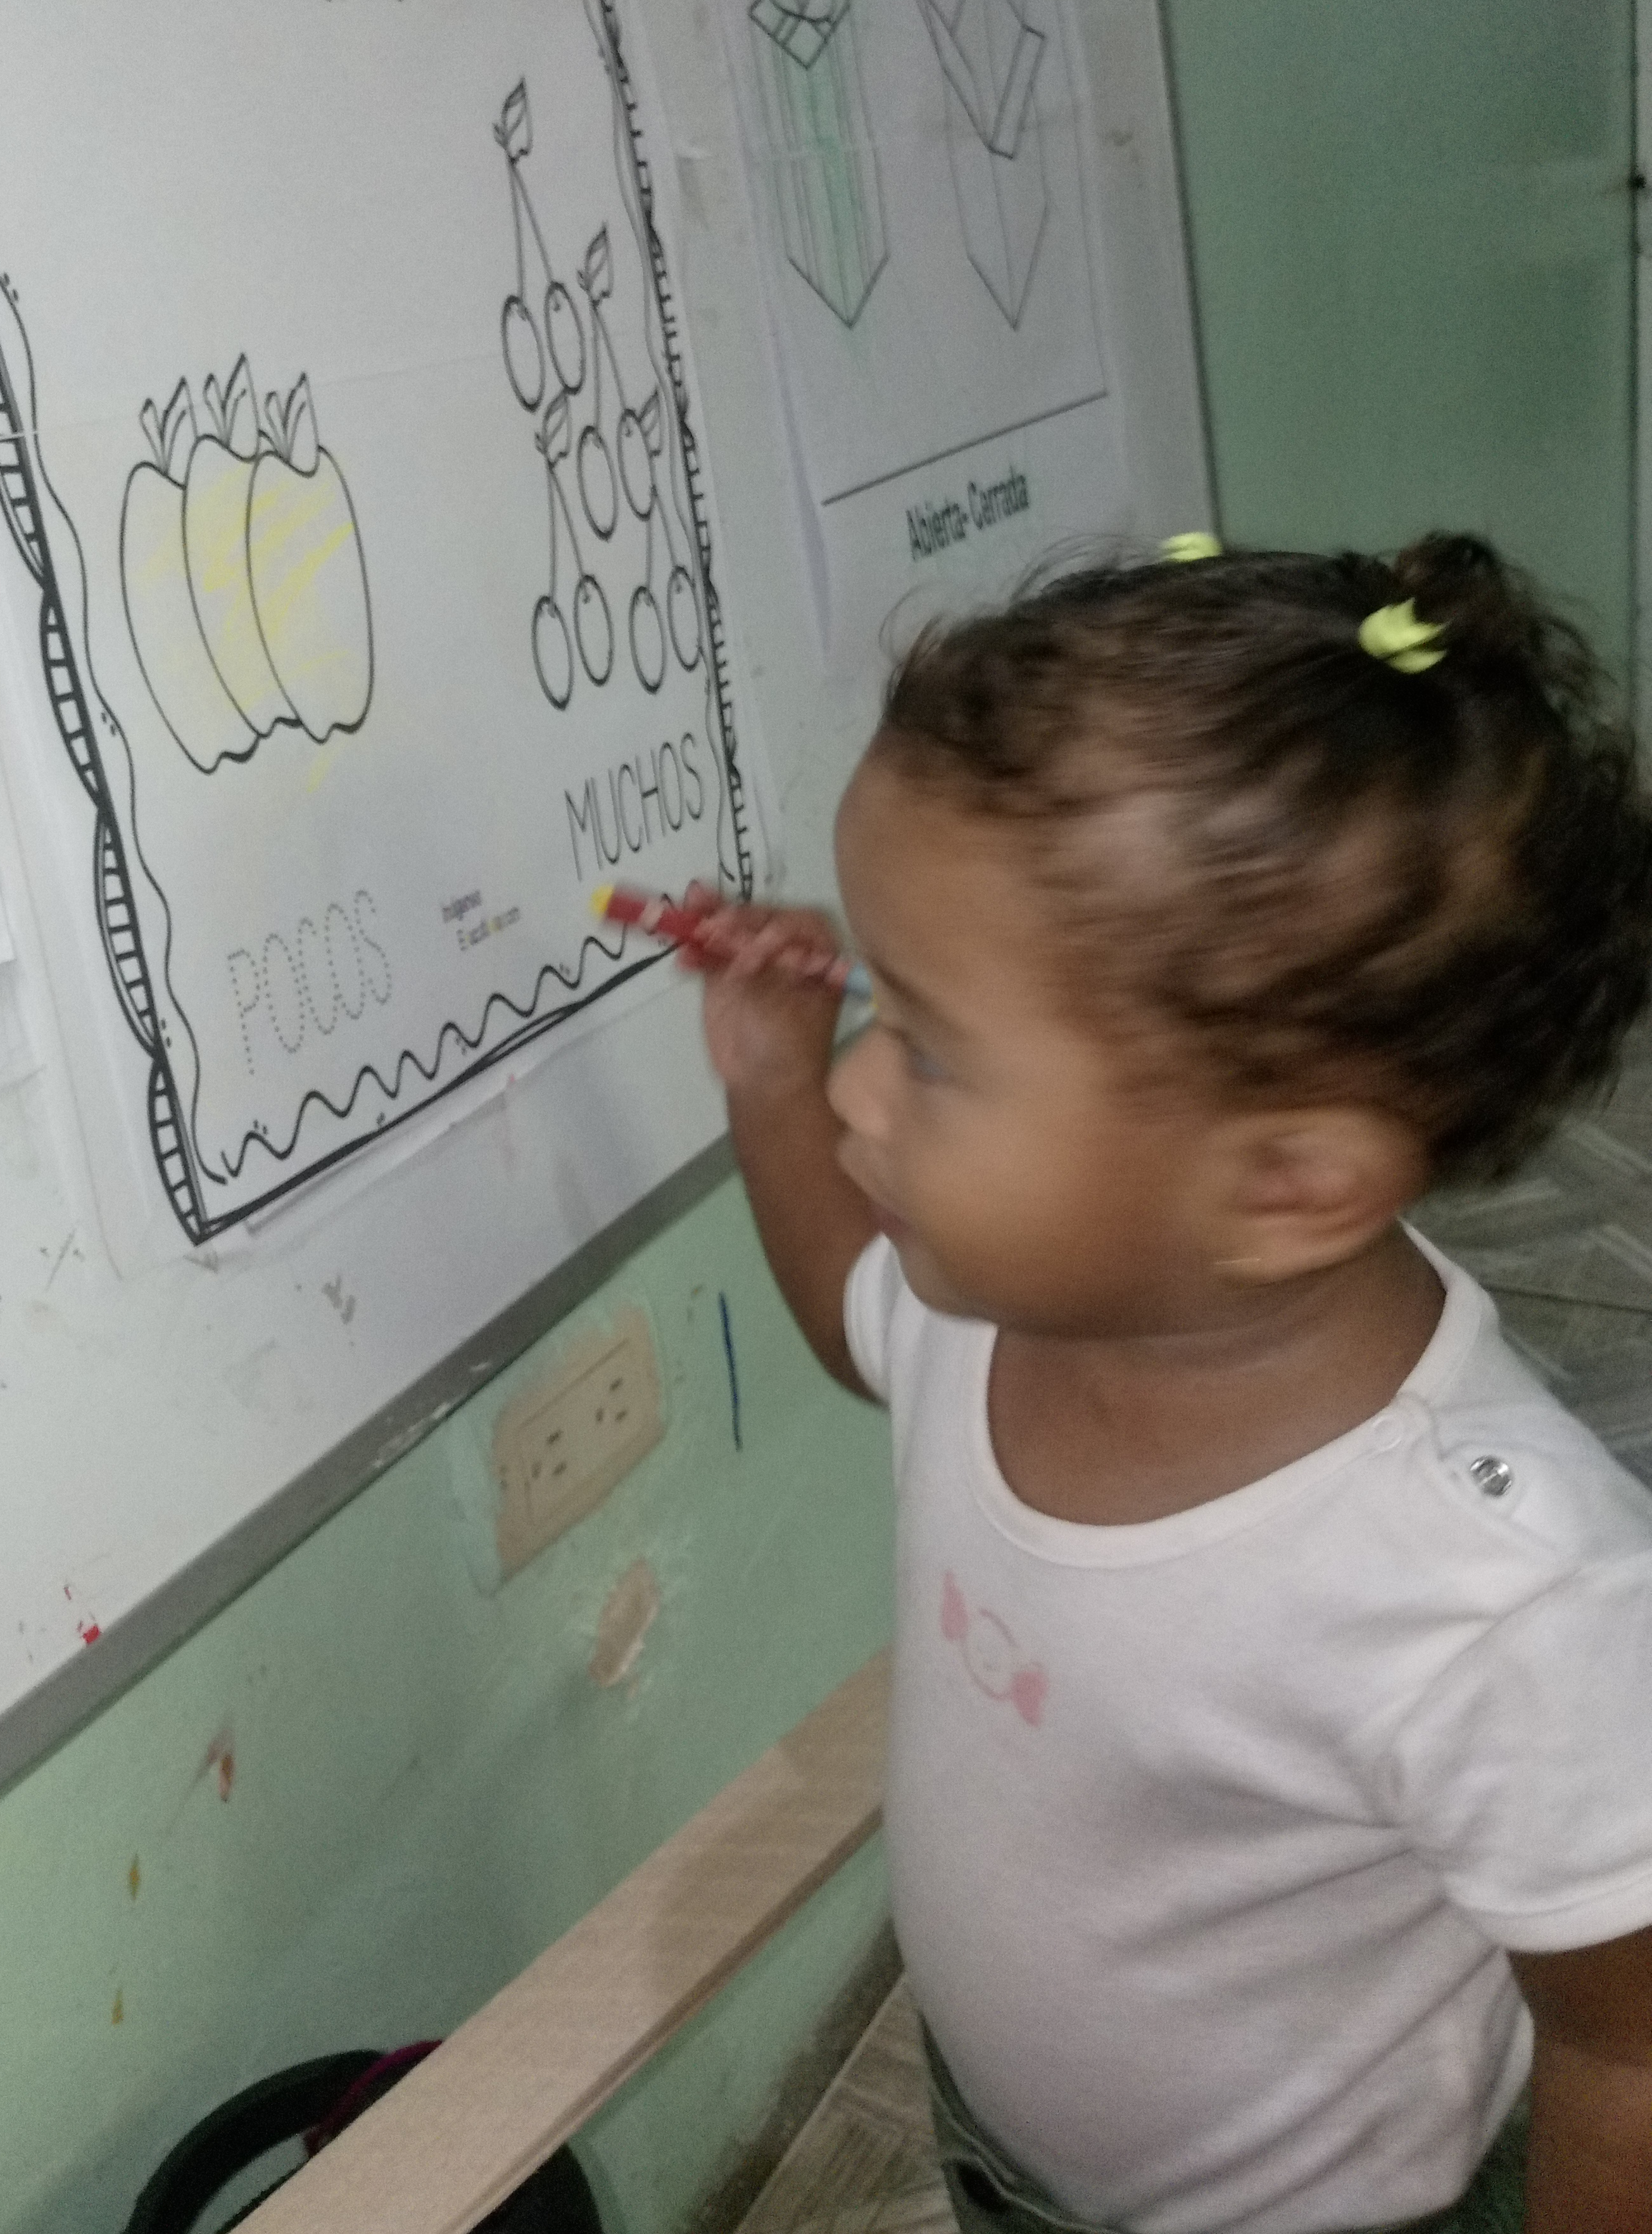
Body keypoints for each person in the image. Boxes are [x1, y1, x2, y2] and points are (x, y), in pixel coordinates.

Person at [684, 535, 1652, 2234]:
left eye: (930, 1050)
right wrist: (767, 1083)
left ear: (1285, 1186)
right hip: (1011, 2152)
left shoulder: (1496, 1592)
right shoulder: (1011, 1303)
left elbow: (1626, 2047)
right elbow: (854, 1326)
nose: (857, 1097)